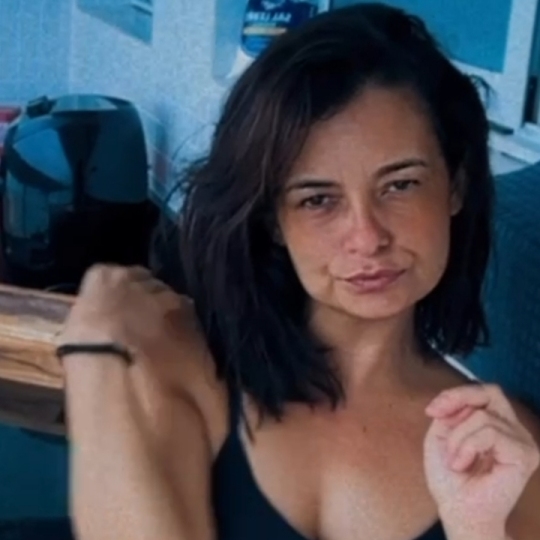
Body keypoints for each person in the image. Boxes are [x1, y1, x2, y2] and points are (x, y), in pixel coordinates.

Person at [58, 4, 540, 540]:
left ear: (455, 186)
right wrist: (97, 353)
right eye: (318, 200)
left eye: (400, 185)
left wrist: (477, 528)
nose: (368, 237)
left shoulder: (502, 447)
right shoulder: (187, 368)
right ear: (273, 221)